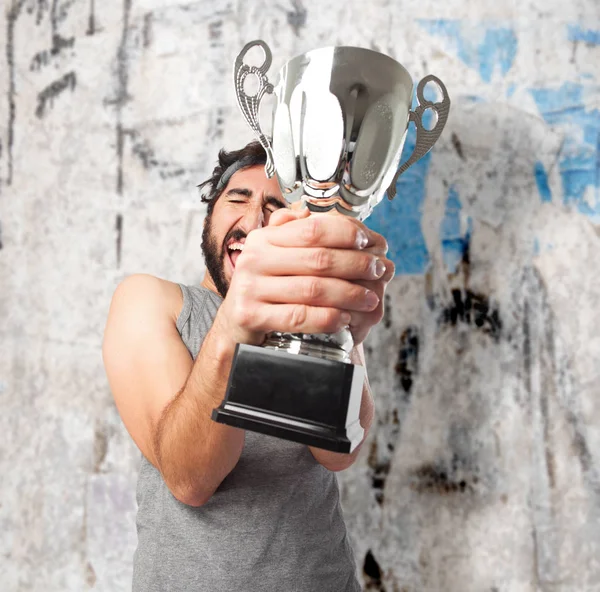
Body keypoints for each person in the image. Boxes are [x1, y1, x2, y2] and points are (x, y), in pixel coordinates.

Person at [102, 140, 394, 591]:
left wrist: (341, 332)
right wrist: (237, 322)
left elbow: (339, 453)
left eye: (276, 207)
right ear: (209, 218)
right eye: (238, 199)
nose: (256, 219)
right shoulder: (150, 300)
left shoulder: (302, 319)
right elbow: (190, 478)